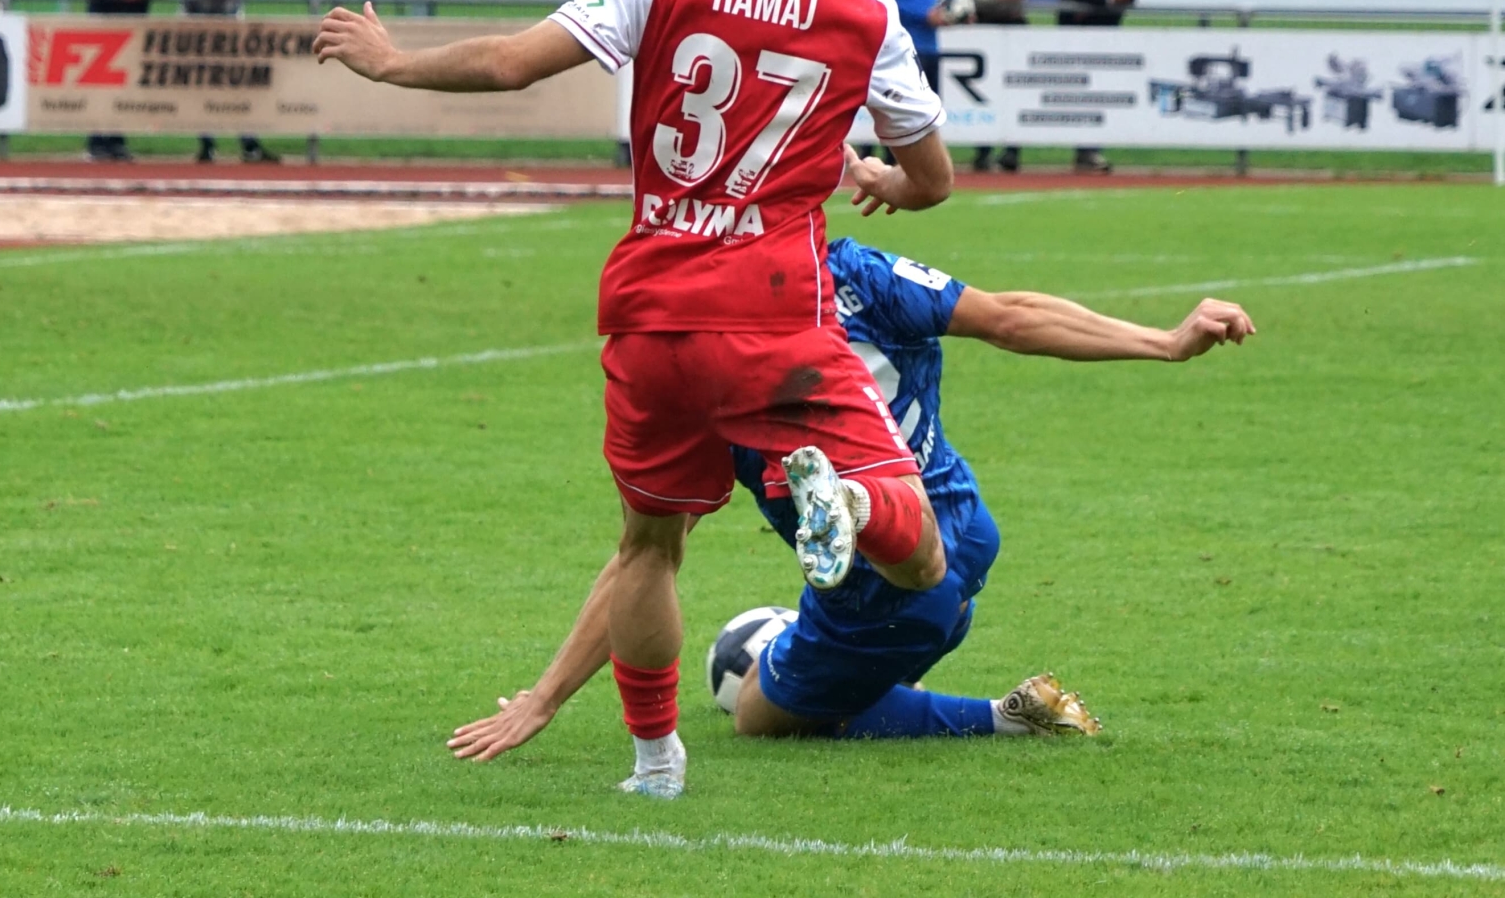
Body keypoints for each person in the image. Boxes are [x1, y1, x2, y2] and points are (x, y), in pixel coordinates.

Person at [313, 0, 956, 799]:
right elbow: (934, 178)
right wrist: (886, 180)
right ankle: (844, 496)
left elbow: (512, 64)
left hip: (651, 307)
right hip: (776, 311)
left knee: (649, 546)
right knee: (918, 554)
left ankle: (656, 761)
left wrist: (392, 65)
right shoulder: (864, 10)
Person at [448, 239, 1256, 760]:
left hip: (883, 590)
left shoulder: (703, 351)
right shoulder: (857, 269)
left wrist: (544, 699)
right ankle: (866, 534)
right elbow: (1010, 317)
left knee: (756, 715)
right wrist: (1163, 341)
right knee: (873, 635)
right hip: (966, 524)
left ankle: (1004, 712)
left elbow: (646, 557)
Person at [73, 0, 172, 163]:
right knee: (98, 86)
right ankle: (96, 142)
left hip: (132, 30)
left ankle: (117, 142)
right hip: (101, 30)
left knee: (125, 87)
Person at [181, 0, 273, 165]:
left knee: (239, 79)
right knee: (201, 81)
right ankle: (207, 144)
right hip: (198, 17)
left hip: (231, 17)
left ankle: (249, 143)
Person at [1057, 0, 1138, 174]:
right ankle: (1082, 147)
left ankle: (1090, 149)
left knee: (1101, 89)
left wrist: (1100, 0)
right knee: (1074, 89)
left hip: (1107, 32)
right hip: (1076, 31)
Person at [954, 0, 1030, 173]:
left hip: (1012, 21)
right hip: (979, 22)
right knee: (982, 87)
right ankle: (982, 150)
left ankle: (1012, 151)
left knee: (1015, 85)